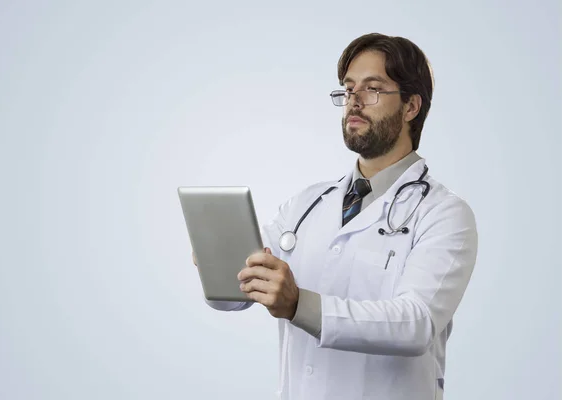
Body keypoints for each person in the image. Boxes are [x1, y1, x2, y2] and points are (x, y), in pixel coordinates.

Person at [193, 32, 478, 400]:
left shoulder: (444, 214)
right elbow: (234, 296)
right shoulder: (307, 204)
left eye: (372, 89)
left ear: (411, 107)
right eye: (348, 89)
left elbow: (415, 324)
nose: (354, 102)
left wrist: (299, 305)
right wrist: (216, 263)